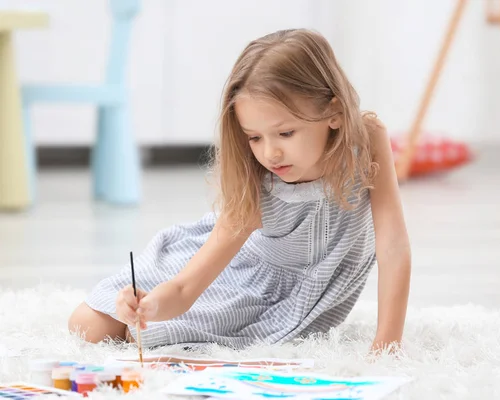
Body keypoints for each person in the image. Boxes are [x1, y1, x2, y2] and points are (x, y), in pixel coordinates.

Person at [68, 28, 411, 353]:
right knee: (87, 325)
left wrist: (387, 343)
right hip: (237, 273)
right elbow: (186, 287)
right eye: (254, 137)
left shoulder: (367, 140)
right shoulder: (257, 176)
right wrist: (149, 305)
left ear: (334, 112)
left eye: (285, 133)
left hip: (303, 294)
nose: (269, 153)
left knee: (138, 338)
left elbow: (393, 245)